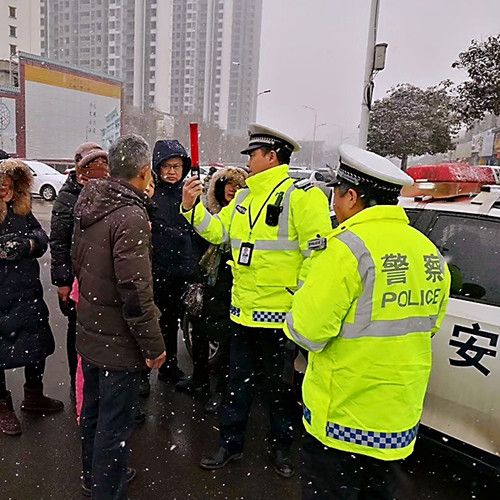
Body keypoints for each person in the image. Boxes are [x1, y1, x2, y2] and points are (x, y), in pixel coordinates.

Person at [284, 144, 451, 499]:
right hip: (396, 415)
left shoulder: (345, 249)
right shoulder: (427, 249)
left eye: (336, 193)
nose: (333, 202)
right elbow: (431, 323)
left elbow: (308, 332)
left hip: (343, 415)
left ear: (352, 196)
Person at [182, 124, 332, 477]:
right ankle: (230, 444)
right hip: (242, 313)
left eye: (253, 154)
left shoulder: (301, 197)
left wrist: (298, 301)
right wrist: (192, 208)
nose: (248, 161)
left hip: (280, 318)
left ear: (272, 156)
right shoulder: (244, 198)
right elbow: (218, 232)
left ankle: (281, 448)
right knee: (237, 385)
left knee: (278, 390)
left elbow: (317, 258)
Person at [72, 134, 166, 499]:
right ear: (143, 172)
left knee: (94, 414)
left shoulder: (91, 199)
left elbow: (78, 261)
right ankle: (107, 488)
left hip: (91, 329)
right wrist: (154, 346)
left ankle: (92, 476)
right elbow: (135, 292)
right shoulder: (130, 215)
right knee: (114, 426)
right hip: (118, 343)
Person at [176, 166, 248, 414]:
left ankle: (222, 391)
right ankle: (199, 380)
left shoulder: (244, 216)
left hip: (228, 284)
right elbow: (194, 241)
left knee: (225, 338)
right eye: (228, 183)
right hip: (203, 282)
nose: (233, 189)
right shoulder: (206, 213)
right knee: (198, 332)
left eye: (238, 186)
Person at [0, 159, 63, 436]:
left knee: (35, 346)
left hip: (26, 292)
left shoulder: (21, 209)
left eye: (9, 182)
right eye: (0, 183)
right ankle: (2, 407)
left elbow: (41, 237)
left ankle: (33, 395)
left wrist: (28, 244)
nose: (4, 187)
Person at [50, 142, 109, 396]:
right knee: (77, 333)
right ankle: (79, 385)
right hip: (77, 280)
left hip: (102, 278)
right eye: (90, 165)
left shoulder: (107, 192)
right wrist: (63, 281)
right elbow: (59, 243)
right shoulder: (67, 198)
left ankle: (98, 386)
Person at [147, 139, 205, 391]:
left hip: (184, 270)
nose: (172, 171)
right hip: (157, 270)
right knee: (155, 324)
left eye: (177, 166)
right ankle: (145, 374)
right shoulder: (151, 193)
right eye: (167, 166)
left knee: (177, 322)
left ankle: (171, 368)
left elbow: (199, 228)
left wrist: (194, 261)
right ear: (157, 167)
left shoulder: (189, 193)